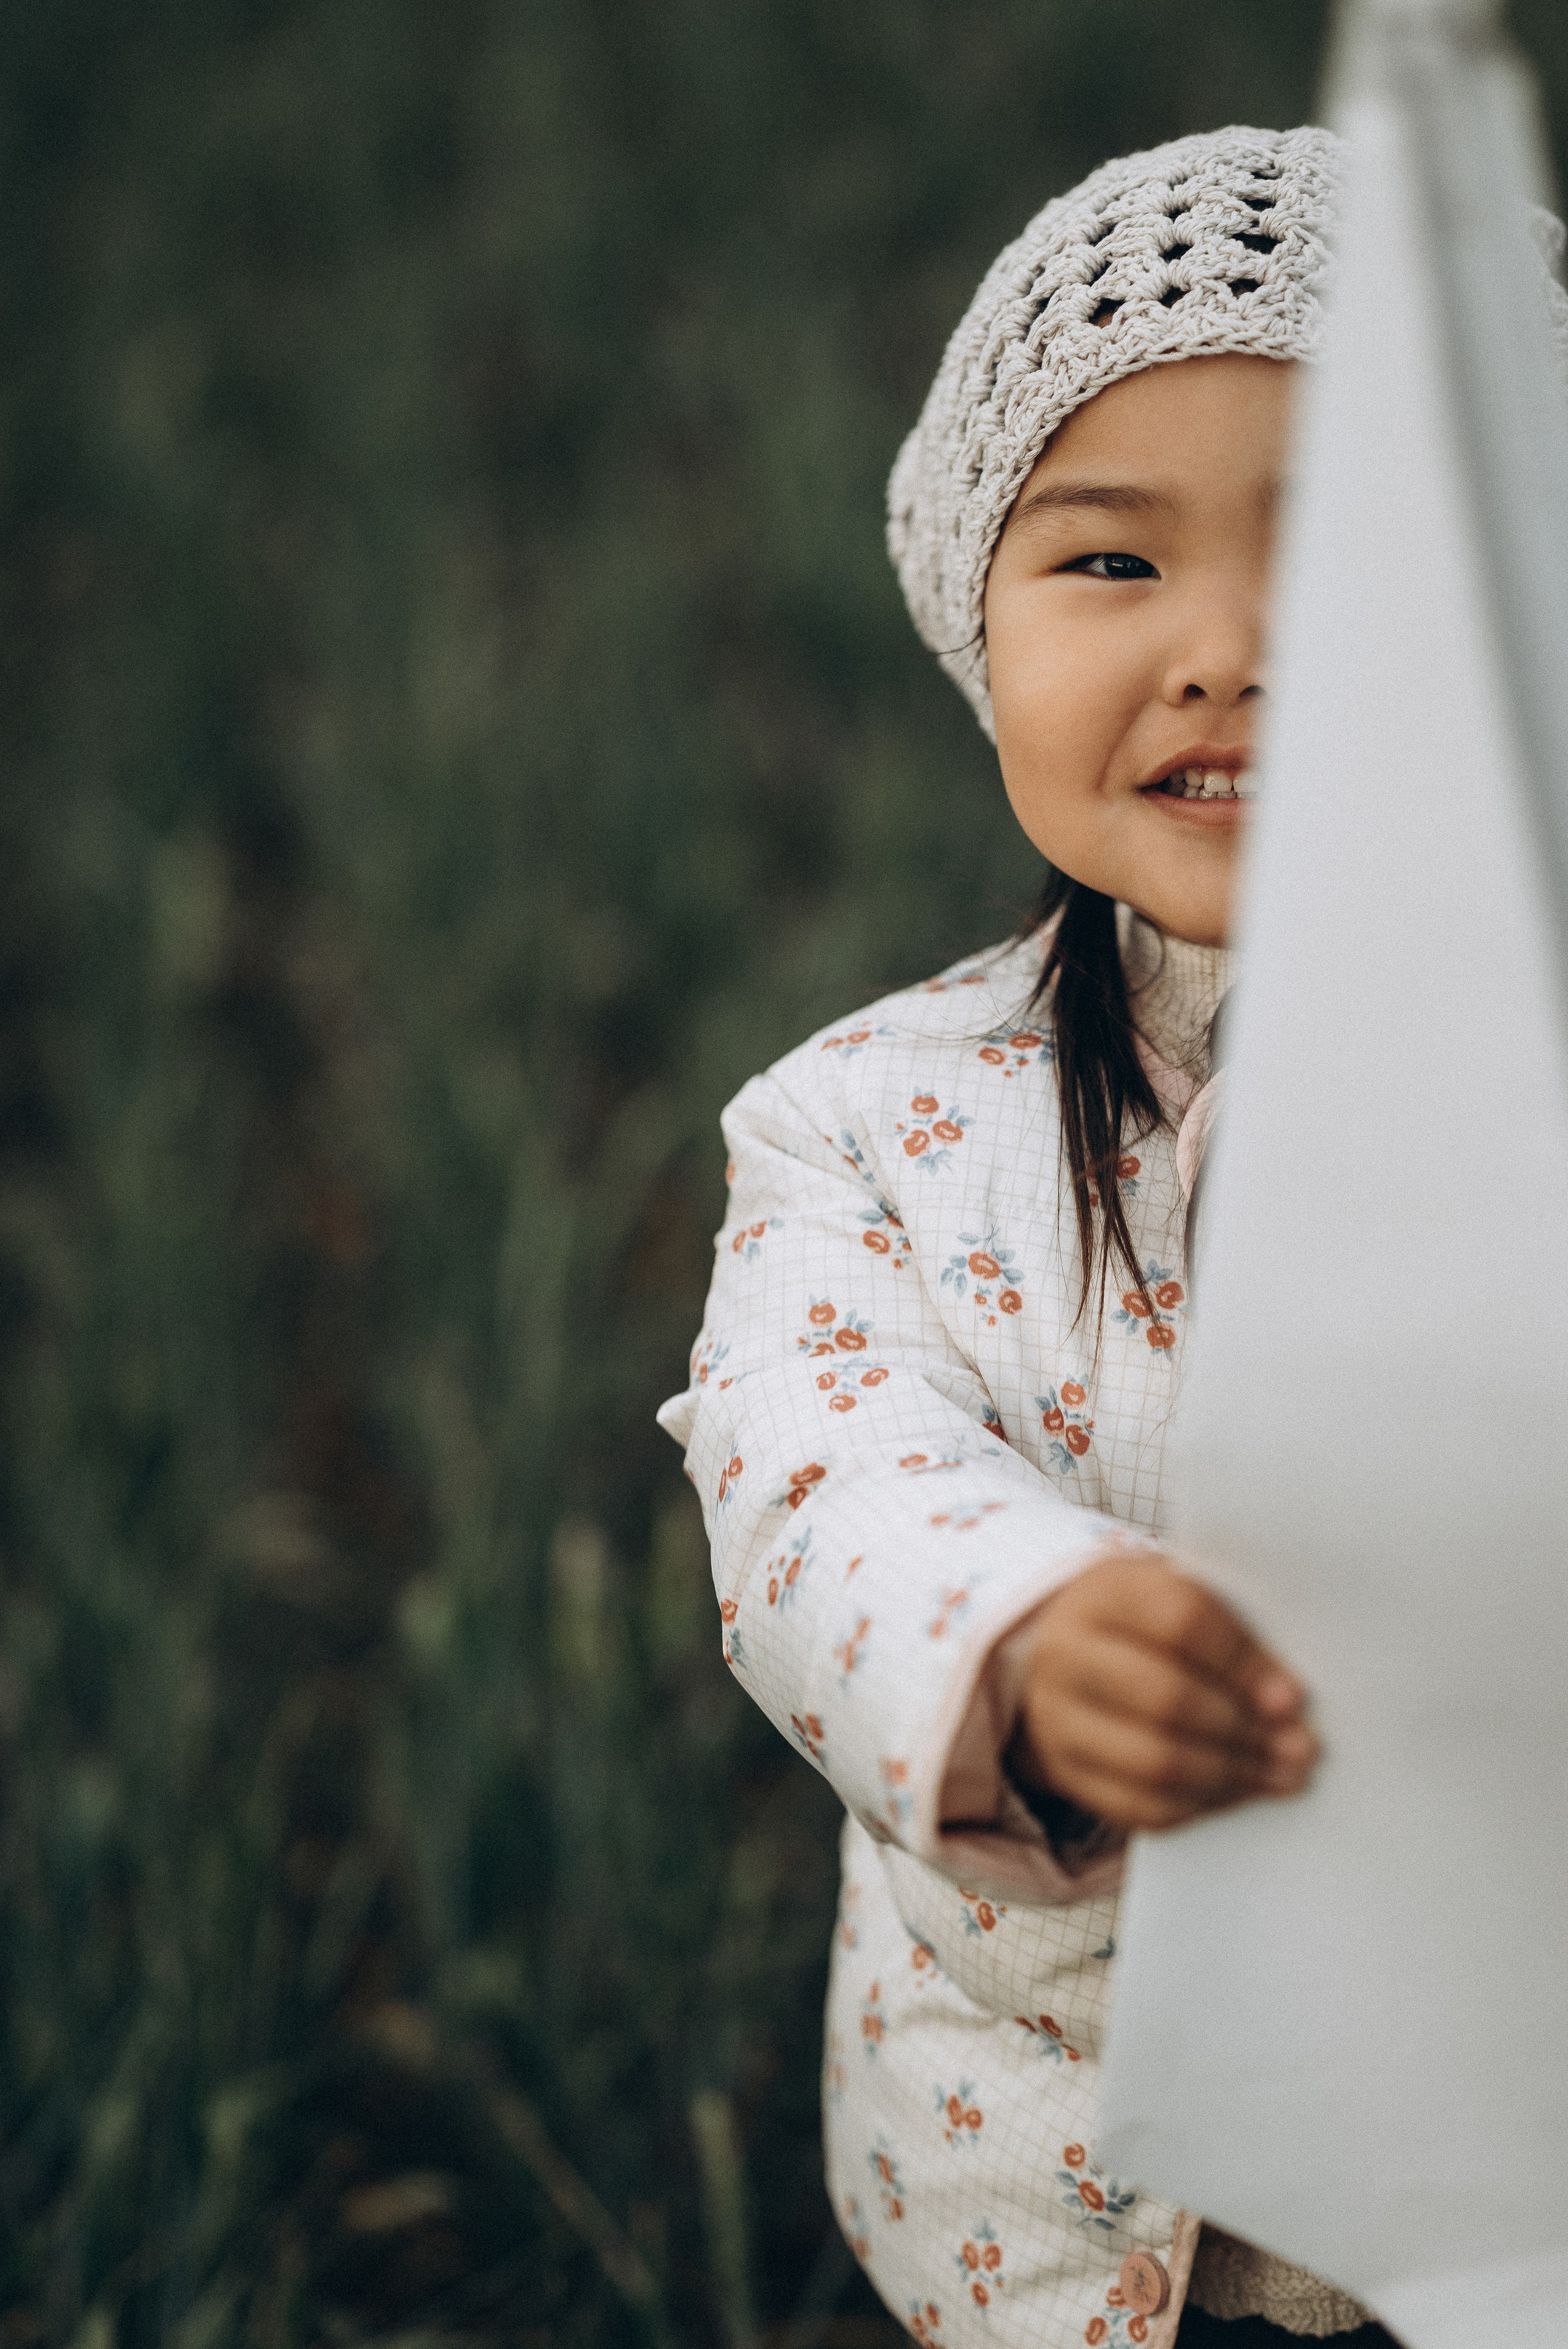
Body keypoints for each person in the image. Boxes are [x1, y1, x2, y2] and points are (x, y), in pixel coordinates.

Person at [659, 123, 1565, 2347]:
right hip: (1049, 2199)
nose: (1227, 650)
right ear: (982, 616)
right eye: (1110, 560)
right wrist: (1022, 1639)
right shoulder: (869, 1122)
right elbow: (813, 1470)